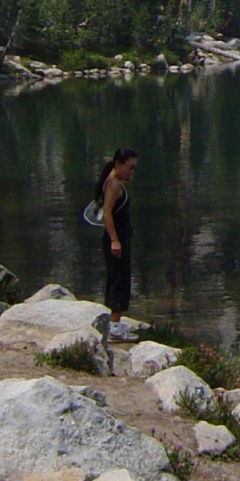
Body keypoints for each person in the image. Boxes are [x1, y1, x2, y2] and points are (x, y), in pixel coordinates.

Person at [94, 146, 138, 341]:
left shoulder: (115, 181)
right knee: (119, 280)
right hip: (117, 240)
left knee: (118, 277)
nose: (132, 172)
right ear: (118, 165)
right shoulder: (113, 185)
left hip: (121, 238)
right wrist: (115, 240)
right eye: (130, 167)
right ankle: (115, 326)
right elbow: (107, 213)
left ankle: (115, 322)